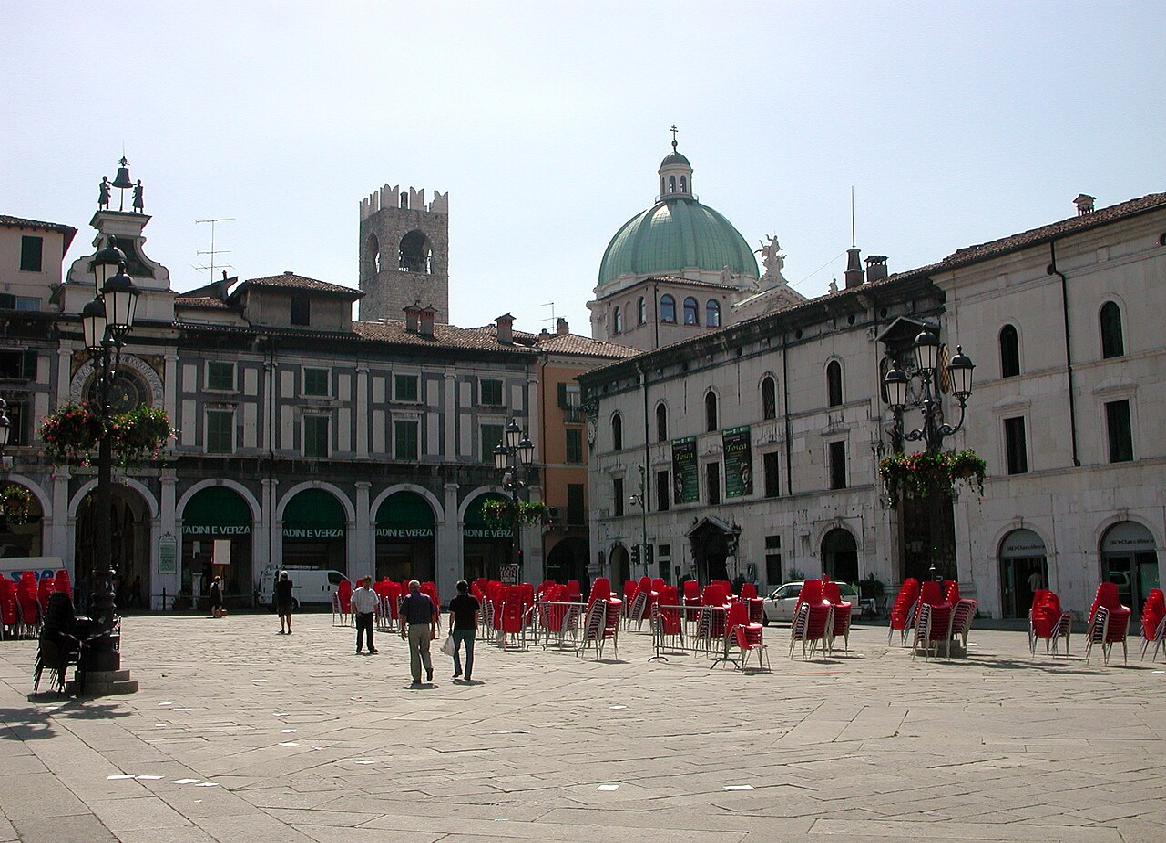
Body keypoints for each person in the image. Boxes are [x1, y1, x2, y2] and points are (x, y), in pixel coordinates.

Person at [400, 579, 438, 685]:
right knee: (425, 650)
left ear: (410, 589)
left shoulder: (408, 598)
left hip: (414, 627)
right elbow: (433, 614)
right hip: (425, 627)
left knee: (414, 652)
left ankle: (417, 677)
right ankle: (428, 666)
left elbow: (404, 615)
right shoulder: (427, 598)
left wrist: (402, 629)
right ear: (419, 588)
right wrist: (433, 629)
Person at [447, 579, 480, 682]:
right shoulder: (473, 599)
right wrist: (476, 625)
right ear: (467, 588)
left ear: (457, 589)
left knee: (454, 649)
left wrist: (450, 627)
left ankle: (458, 668)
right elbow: (476, 614)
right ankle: (468, 674)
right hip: (470, 628)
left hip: (459, 628)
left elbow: (452, 616)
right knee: (469, 652)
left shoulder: (454, 600)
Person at [351, 575, 379, 654]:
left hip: (369, 614)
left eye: (369, 582)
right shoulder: (358, 591)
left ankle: (371, 647)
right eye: (366, 582)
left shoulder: (372, 592)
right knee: (360, 632)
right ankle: (359, 647)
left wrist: (376, 615)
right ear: (363, 582)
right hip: (360, 614)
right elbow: (353, 602)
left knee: (370, 632)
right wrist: (356, 612)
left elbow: (375, 603)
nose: (367, 584)